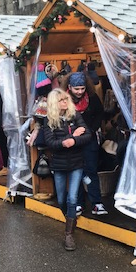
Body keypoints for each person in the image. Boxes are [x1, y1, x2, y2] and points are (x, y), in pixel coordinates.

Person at [43, 88, 92, 251]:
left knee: (72, 199)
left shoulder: (75, 115)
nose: (65, 102)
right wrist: (71, 137)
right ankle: (71, 219)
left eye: (66, 99)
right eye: (61, 100)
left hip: (76, 163)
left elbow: (88, 135)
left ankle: (68, 234)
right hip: (59, 164)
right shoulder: (49, 120)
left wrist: (74, 141)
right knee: (62, 200)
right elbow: (51, 143)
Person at [66, 71, 107, 216]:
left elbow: (100, 113)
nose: (79, 92)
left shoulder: (92, 97)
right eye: (76, 89)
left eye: (82, 88)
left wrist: (92, 129)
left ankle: (97, 203)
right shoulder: (63, 100)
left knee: (91, 170)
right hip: (72, 141)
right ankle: (78, 203)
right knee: (75, 171)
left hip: (89, 140)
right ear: (69, 87)